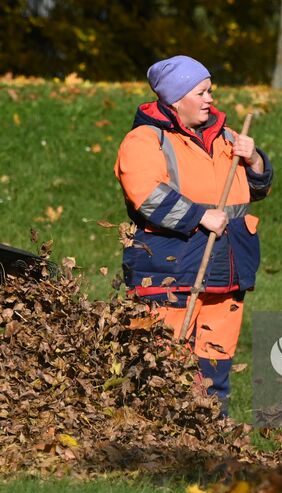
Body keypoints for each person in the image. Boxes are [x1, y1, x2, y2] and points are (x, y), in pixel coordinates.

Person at [115, 55, 272, 412]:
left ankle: (214, 442)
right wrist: (199, 216)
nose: (210, 99)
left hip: (226, 269)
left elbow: (258, 189)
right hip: (169, 270)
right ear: (175, 98)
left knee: (215, 367)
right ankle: (157, 444)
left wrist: (256, 161)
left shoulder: (228, 137)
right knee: (164, 363)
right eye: (201, 92)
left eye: (210, 91)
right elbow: (148, 196)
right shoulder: (144, 140)